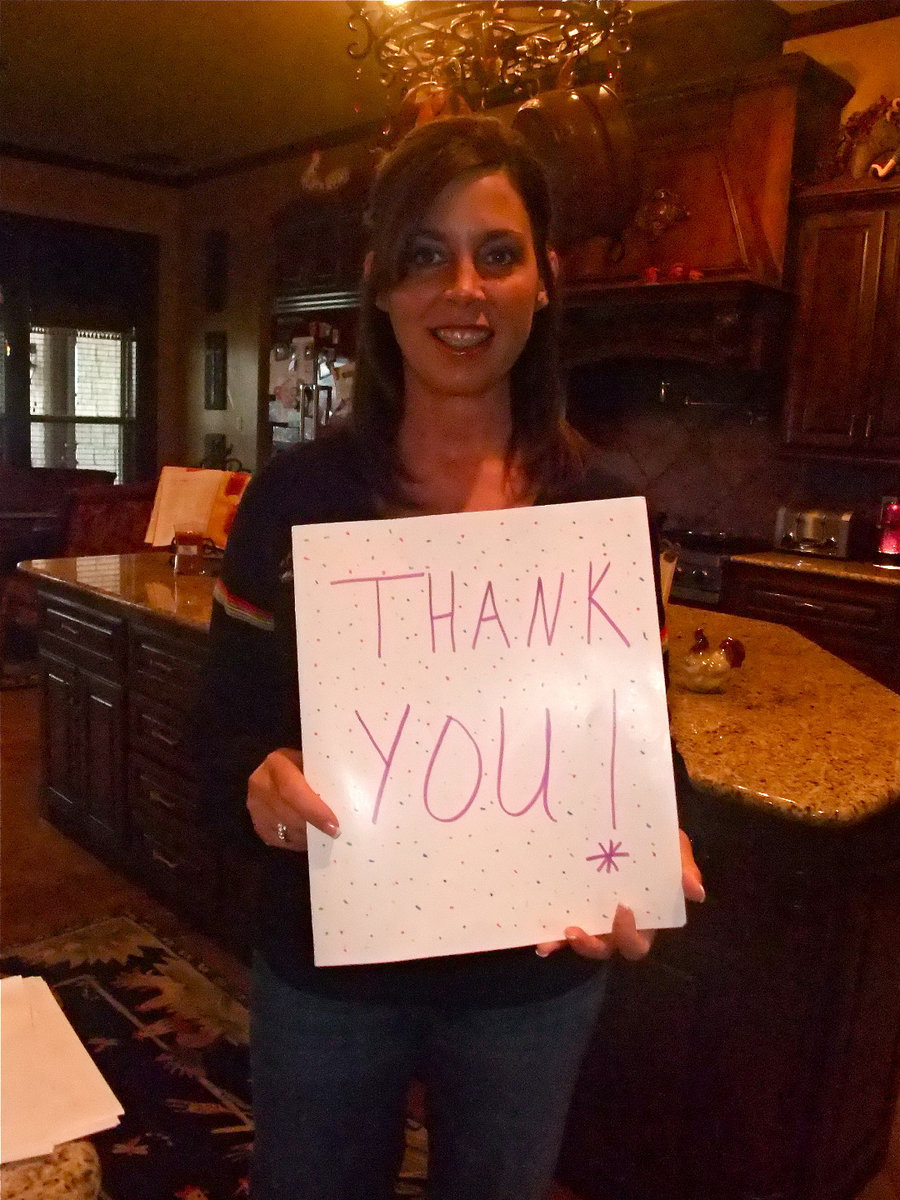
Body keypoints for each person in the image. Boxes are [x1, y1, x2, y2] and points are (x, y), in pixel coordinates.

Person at [195, 114, 705, 1200]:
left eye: (498, 253)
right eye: (425, 256)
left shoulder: (601, 512)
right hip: (330, 961)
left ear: (545, 281)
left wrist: (653, 849)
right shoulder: (295, 497)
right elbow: (221, 728)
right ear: (382, 288)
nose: (462, 289)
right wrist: (257, 782)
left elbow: (640, 748)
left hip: (532, 980)